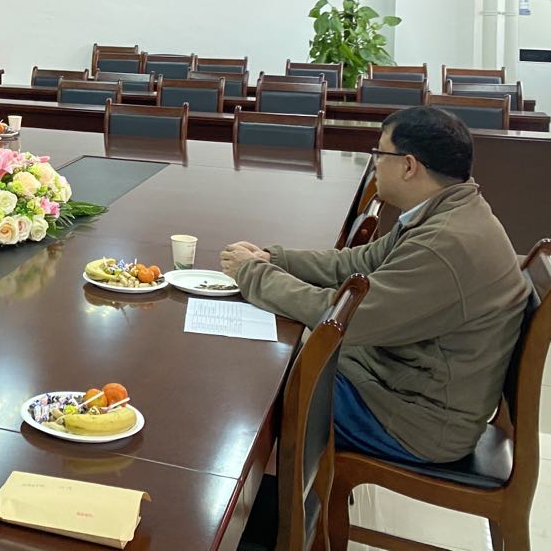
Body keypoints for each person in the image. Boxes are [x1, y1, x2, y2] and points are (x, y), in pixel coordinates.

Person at [220, 106, 530, 464]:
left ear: (409, 166)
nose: (374, 164)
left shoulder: (445, 243)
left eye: (380, 154)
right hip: (398, 382)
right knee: (277, 358)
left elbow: (344, 320)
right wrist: (275, 259)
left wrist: (254, 276)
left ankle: (265, 495)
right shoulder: (446, 212)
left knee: (264, 382)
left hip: (415, 422)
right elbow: (357, 263)